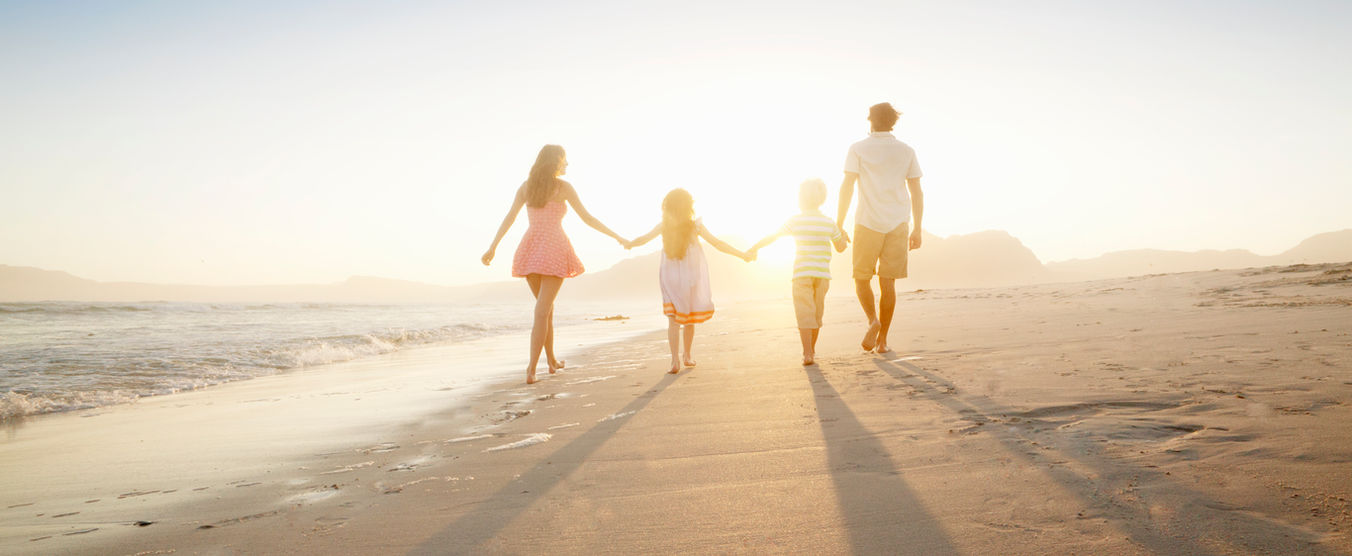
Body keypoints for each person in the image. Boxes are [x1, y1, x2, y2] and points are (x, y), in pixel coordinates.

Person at [481, 144, 627, 384]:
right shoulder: (563, 187)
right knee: (542, 310)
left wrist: (493, 247)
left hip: (530, 248)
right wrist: (618, 236)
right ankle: (531, 369)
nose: (567, 164)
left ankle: (551, 361)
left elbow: (510, 217)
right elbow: (588, 218)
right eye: (565, 160)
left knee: (545, 309)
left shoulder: (527, 187)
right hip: (554, 249)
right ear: (556, 162)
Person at [624, 188, 750, 374]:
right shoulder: (695, 226)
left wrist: (629, 243)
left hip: (670, 276)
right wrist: (741, 254)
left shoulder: (664, 226)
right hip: (690, 276)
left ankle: (675, 360)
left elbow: (643, 239)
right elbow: (717, 243)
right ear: (689, 206)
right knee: (689, 317)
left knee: (673, 320)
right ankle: (687, 356)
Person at [836, 102, 924, 354]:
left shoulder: (857, 149)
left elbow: (847, 188)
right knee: (888, 284)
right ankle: (883, 340)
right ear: (893, 122)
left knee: (861, 278)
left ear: (870, 120)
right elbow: (916, 192)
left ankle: (872, 320)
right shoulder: (906, 150)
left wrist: (839, 224)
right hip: (898, 223)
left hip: (866, 222)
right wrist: (917, 228)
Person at [746, 179, 848, 366]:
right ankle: (812, 350)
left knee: (804, 313)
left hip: (802, 273)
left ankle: (807, 353)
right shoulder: (828, 222)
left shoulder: (795, 220)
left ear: (800, 198)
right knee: (816, 315)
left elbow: (773, 236)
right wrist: (844, 237)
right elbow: (840, 247)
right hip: (823, 275)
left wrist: (754, 247)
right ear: (823, 198)